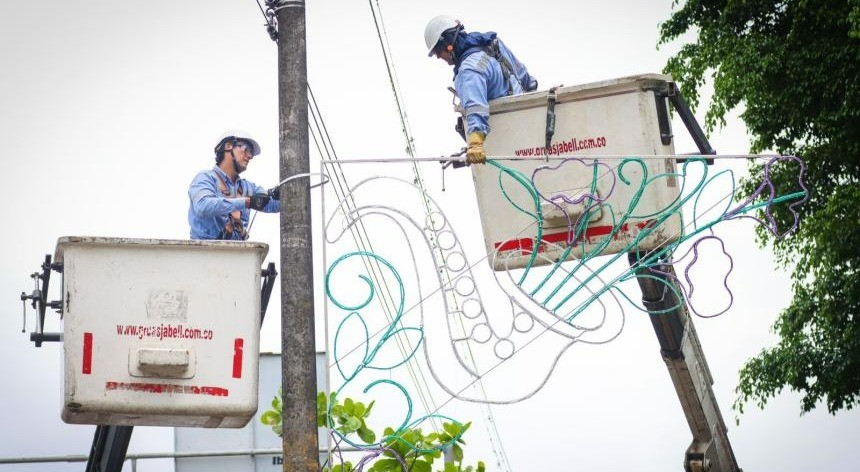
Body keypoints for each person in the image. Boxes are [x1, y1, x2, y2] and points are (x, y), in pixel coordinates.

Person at [425, 15, 538, 164]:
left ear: (447, 43)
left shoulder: (468, 71)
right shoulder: (492, 45)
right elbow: (526, 79)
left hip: (509, 139)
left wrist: (475, 143)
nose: (439, 57)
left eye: (438, 51)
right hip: (531, 127)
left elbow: (475, 107)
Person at [188, 130, 280, 240]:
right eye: (247, 149)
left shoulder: (247, 188)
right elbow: (202, 205)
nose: (250, 156)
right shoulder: (206, 178)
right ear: (228, 146)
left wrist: (284, 193)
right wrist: (247, 202)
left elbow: (274, 205)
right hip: (204, 253)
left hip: (235, 253)